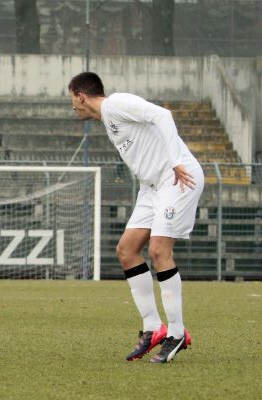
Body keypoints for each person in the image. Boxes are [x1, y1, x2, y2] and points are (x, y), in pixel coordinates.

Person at [68, 72, 204, 363]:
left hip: (176, 178)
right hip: (152, 187)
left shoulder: (117, 103)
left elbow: (163, 115)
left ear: (80, 95)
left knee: (158, 250)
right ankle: (153, 328)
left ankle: (177, 333)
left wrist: (177, 162)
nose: (73, 108)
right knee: (127, 251)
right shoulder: (109, 120)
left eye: (72, 101)